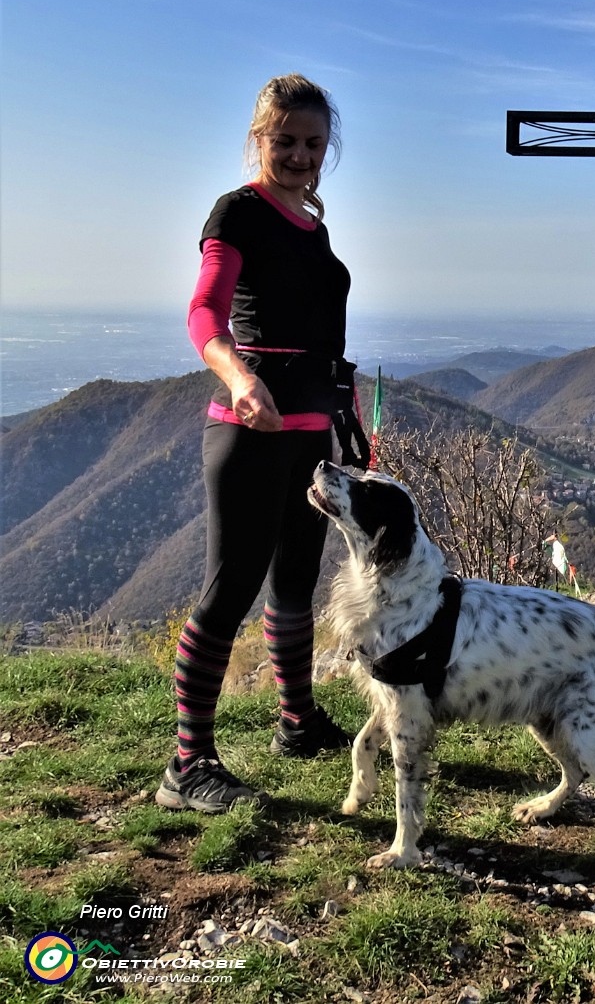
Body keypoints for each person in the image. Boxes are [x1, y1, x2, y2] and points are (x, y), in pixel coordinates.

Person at [156, 74, 356, 815]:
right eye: (286, 142)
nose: (301, 155)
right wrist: (239, 376)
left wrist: (344, 409)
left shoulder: (312, 223)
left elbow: (318, 336)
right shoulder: (237, 213)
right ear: (259, 139)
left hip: (311, 435)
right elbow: (204, 311)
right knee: (227, 590)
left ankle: (297, 722)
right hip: (247, 431)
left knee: (295, 583)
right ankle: (187, 764)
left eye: (312, 143)